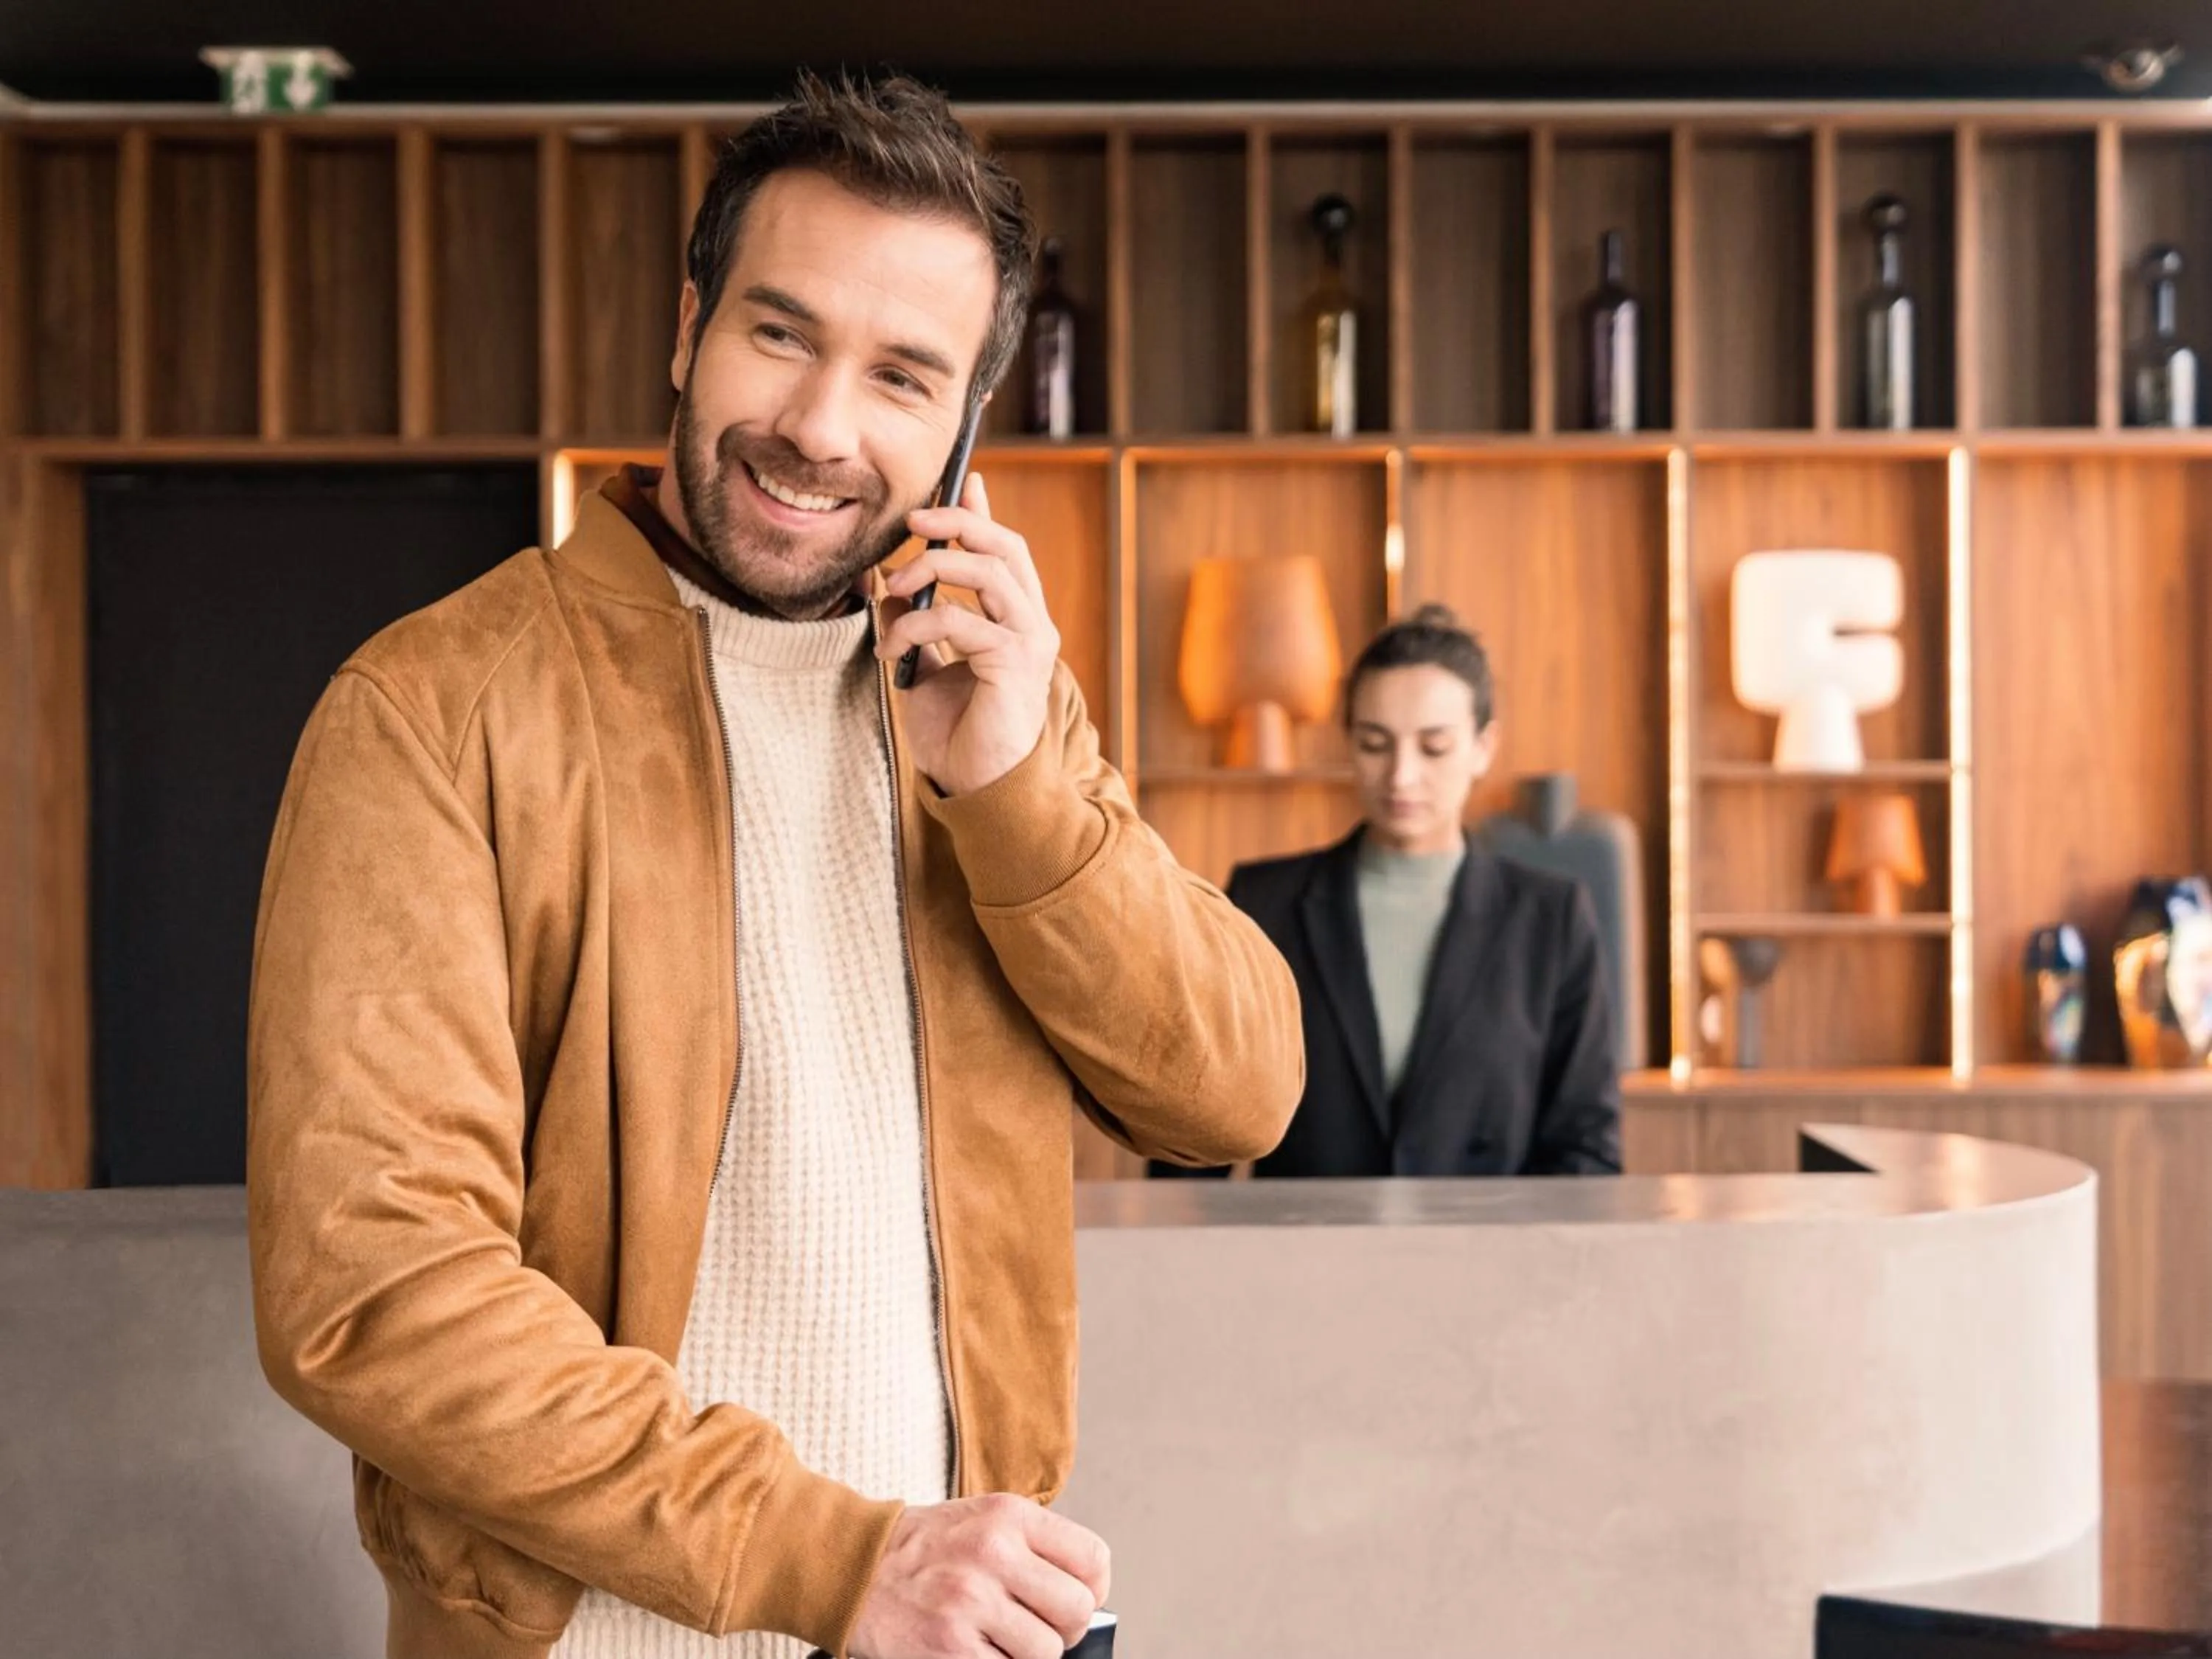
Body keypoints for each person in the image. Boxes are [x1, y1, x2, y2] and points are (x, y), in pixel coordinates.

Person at [245, 72, 1301, 1659]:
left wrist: (1015, 794)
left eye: (901, 375)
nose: (818, 426)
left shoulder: (988, 700)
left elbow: (1238, 1094)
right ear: (689, 330)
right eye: (781, 333)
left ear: (963, 431)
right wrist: (838, 1560)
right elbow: (377, 1292)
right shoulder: (433, 709)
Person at [1150, 605, 1618, 1180]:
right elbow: (1197, 1131)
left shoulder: (1550, 919)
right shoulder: (1263, 903)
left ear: (1483, 748)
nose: (1401, 776)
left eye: (1434, 747)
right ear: (1348, 741)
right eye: (1375, 743)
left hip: (1491, 1260)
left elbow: (1585, 1150)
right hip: (1303, 1257)